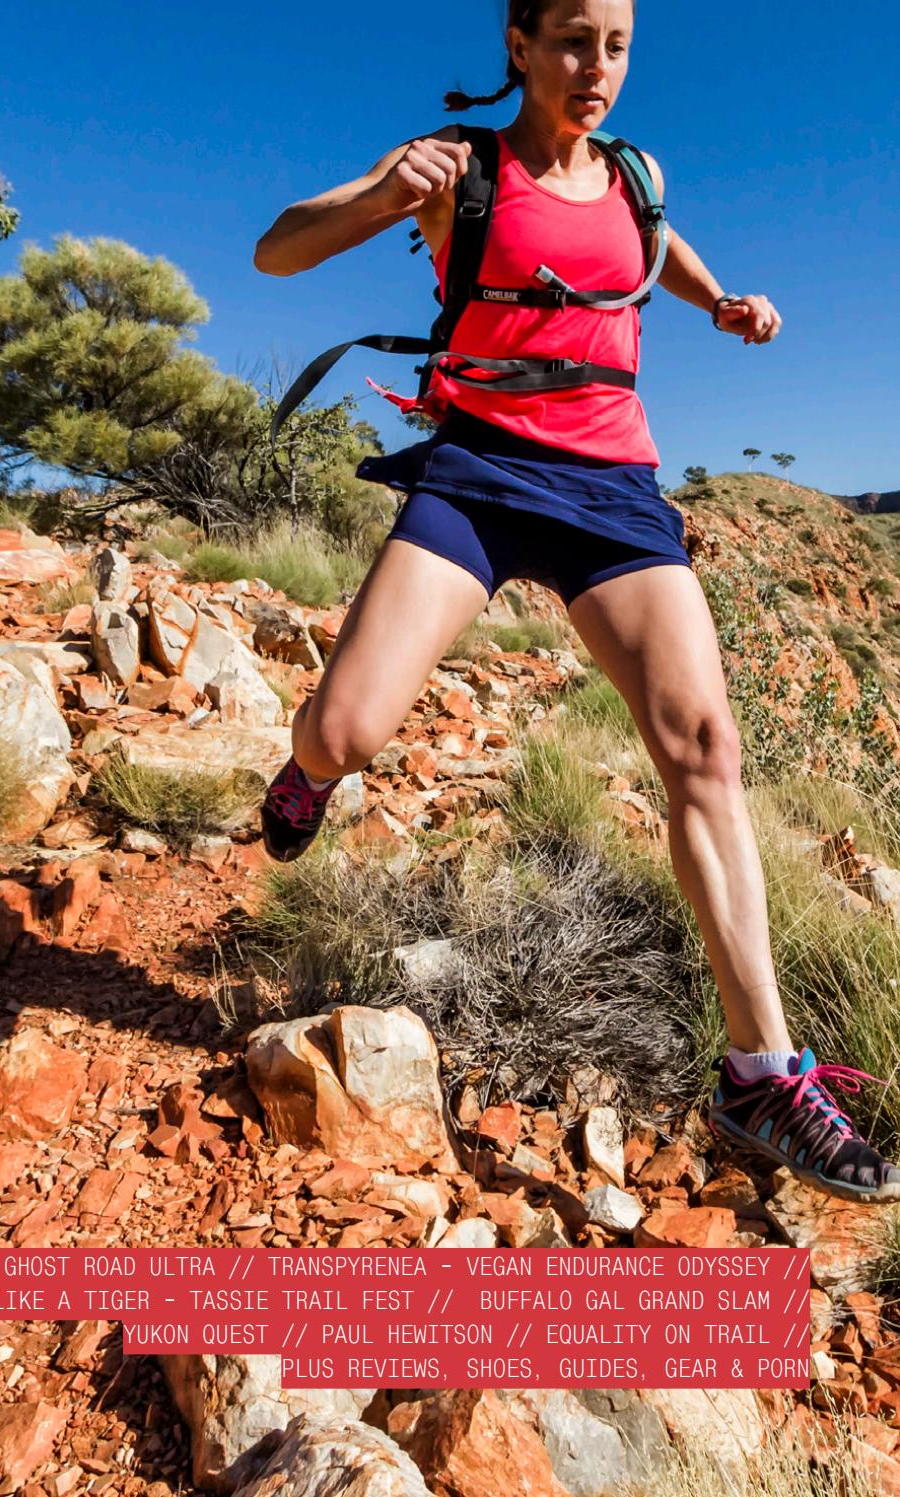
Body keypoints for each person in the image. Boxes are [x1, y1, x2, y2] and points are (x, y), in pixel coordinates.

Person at [251, 0, 899, 1204]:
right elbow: (276, 252)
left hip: (613, 487)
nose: (593, 67)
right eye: (568, 41)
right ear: (516, 42)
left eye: (614, 44)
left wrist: (717, 303)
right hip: (481, 475)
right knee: (345, 730)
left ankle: (762, 1072)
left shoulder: (638, 179)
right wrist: (386, 196)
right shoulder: (462, 169)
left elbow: (654, 242)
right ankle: (305, 775)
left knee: (705, 746)